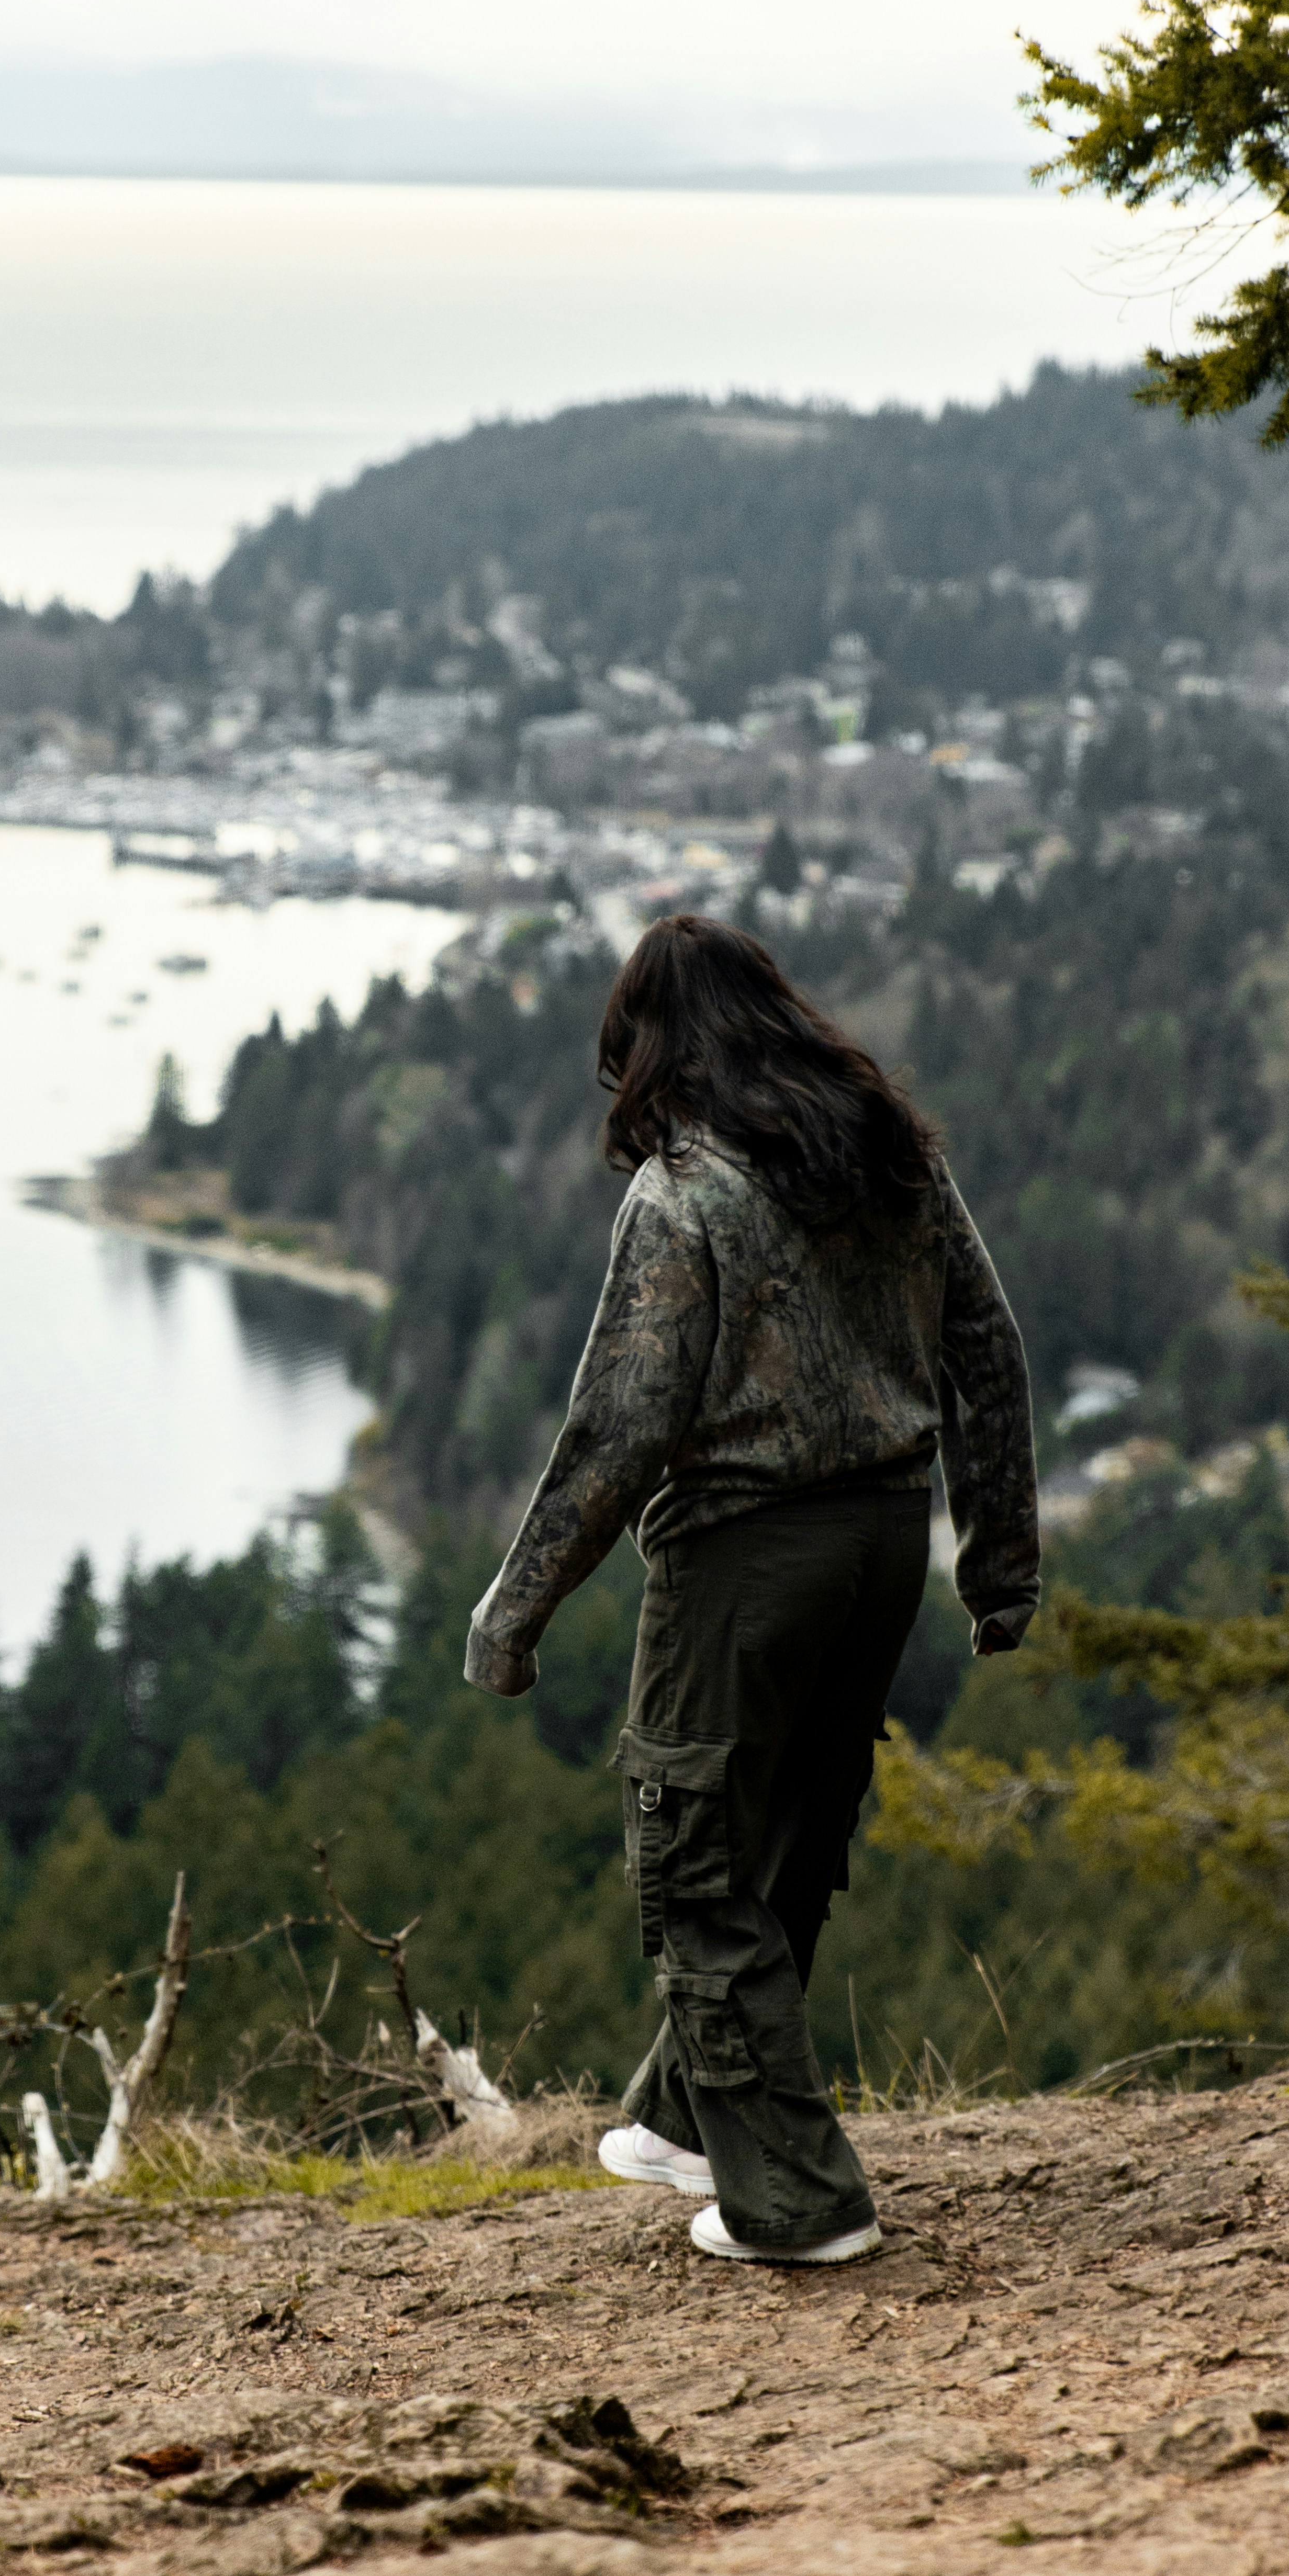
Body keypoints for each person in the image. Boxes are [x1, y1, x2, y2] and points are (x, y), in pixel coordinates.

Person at [464, 913, 1039, 2266]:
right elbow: (986, 1349)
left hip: (744, 1559)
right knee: (785, 1844)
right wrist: (998, 1562)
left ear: (647, 1050)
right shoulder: (894, 1157)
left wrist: (511, 1612)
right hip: (885, 1545)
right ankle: (685, 2124)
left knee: (694, 1866)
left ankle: (797, 2201)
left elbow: (620, 1429)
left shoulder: (684, 1193)